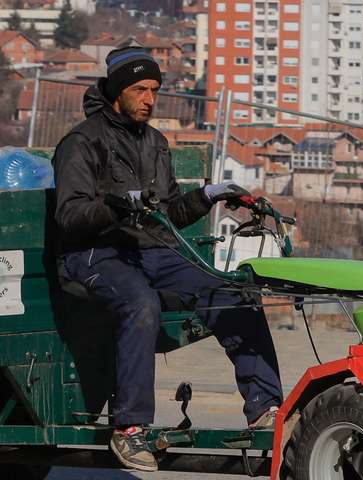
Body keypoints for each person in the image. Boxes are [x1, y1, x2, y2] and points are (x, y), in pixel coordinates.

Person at [51, 43, 283, 473]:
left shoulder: (155, 142)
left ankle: (266, 410)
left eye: (154, 89)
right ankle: (130, 429)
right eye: (140, 89)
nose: (150, 99)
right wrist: (118, 206)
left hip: (152, 250)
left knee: (233, 291)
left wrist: (208, 196)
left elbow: (169, 212)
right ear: (117, 90)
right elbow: (69, 216)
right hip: (94, 254)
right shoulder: (81, 143)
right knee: (141, 303)